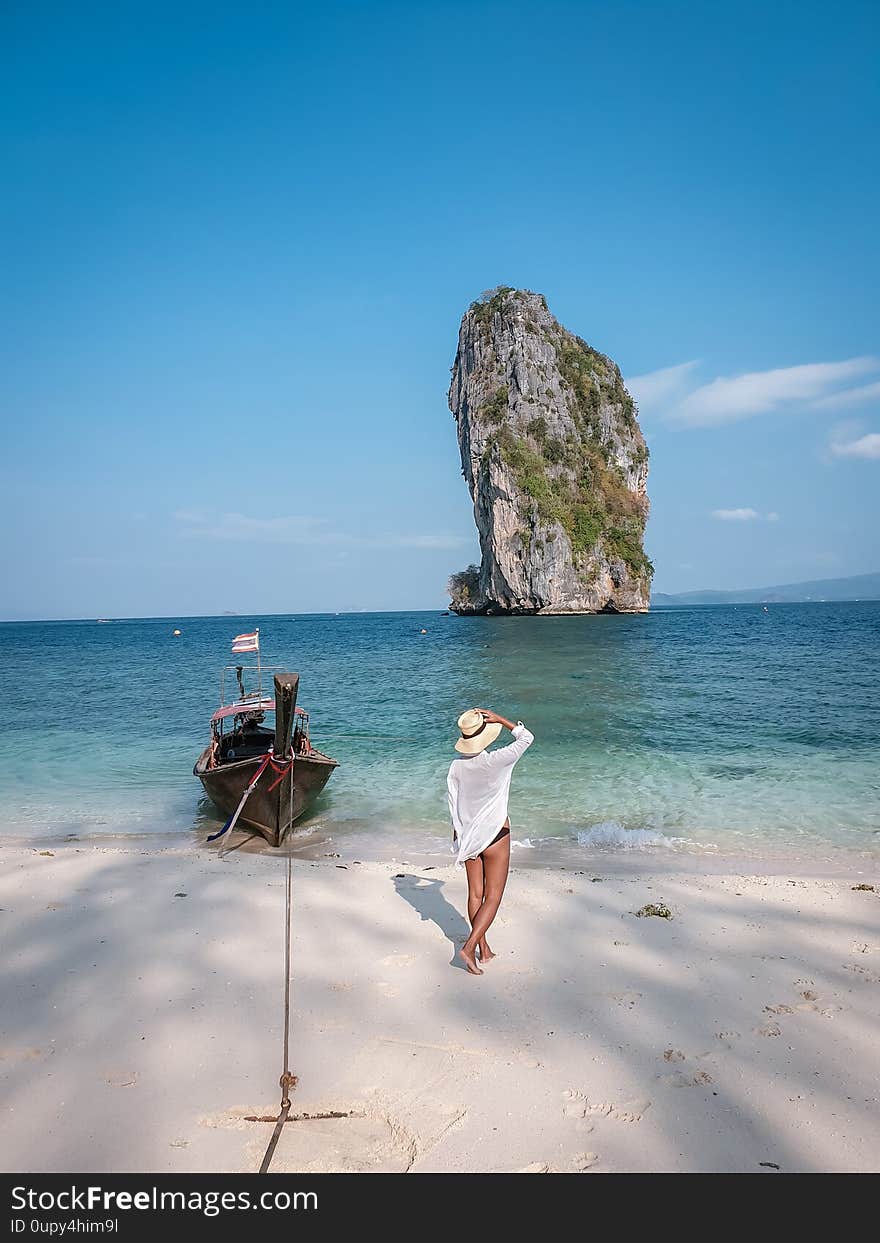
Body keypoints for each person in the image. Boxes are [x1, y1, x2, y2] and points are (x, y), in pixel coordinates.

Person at [446, 708, 534, 975]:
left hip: (469, 838)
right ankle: (468, 946)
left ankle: (483, 950)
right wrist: (500, 719)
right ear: (485, 736)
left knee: (475, 894)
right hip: (496, 835)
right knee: (493, 896)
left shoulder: (456, 767)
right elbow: (526, 737)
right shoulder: (497, 760)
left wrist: (458, 836)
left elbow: (453, 804)